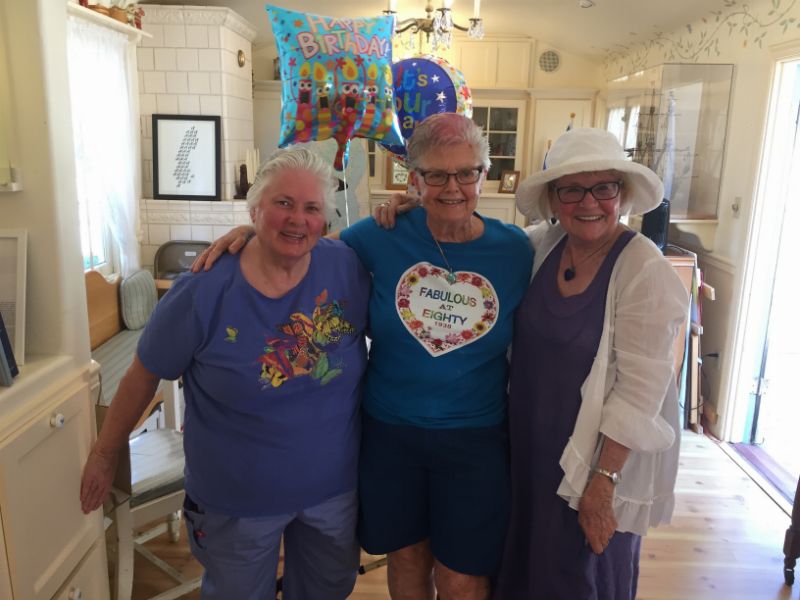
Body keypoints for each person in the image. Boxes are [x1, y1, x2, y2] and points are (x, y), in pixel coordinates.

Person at [194, 113, 534, 600]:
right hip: (390, 433)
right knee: (407, 556)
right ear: (414, 179)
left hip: (475, 438)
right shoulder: (381, 234)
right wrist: (252, 233)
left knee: (461, 576)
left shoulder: (517, 250)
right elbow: (304, 246)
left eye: (466, 172)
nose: (453, 187)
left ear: (484, 173)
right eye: (436, 174)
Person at [79, 147, 370, 599]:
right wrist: (104, 452)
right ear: (254, 209)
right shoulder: (203, 289)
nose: (298, 219)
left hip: (332, 490)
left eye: (312, 208)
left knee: (327, 591)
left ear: (325, 217)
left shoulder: (346, 265)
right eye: (283, 203)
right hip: (235, 501)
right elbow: (143, 375)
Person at [492, 128, 689, 599]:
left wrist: (603, 482)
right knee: (525, 567)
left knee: (580, 575)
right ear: (553, 199)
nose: (589, 202)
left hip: (593, 459)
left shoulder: (643, 267)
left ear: (622, 193)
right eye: (572, 190)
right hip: (528, 449)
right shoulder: (542, 245)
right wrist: (415, 211)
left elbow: (641, 392)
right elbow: (477, 240)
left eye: (604, 187)